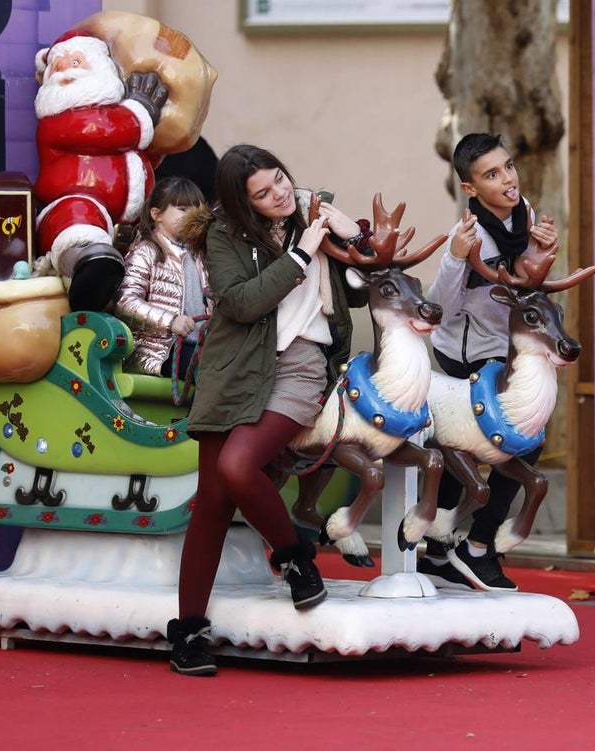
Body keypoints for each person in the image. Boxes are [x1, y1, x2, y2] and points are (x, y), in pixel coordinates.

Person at [166, 144, 367, 676]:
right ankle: (188, 632)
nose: (279, 194)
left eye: (280, 180)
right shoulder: (223, 235)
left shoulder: (312, 213)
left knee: (237, 467)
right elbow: (239, 302)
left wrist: (352, 235)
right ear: (242, 202)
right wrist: (301, 255)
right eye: (263, 192)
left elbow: (362, 285)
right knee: (211, 499)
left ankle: (293, 555)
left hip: (300, 364)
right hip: (233, 367)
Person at [419, 133, 558, 592]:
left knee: (523, 441)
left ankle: (460, 549)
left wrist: (541, 253)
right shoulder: (470, 234)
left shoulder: (526, 214)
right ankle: (471, 549)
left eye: (509, 167)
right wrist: (456, 259)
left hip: (507, 349)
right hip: (464, 356)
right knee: (503, 445)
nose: (508, 180)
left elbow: (525, 286)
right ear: (470, 189)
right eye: (492, 175)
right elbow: (441, 306)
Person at [32, 30, 167, 312]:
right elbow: (102, 131)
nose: (62, 72)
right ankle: (87, 267)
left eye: (75, 63)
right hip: (73, 206)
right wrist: (140, 109)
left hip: (128, 221)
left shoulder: (114, 114)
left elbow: (132, 150)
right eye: (55, 66)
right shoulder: (57, 121)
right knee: (77, 218)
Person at [113, 176, 211, 378]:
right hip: (160, 352)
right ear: (157, 215)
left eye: (197, 209)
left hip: (201, 346)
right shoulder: (145, 252)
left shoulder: (202, 254)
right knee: (211, 374)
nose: (192, 215)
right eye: (183, 209)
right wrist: (170, 321)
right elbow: (125, 301)